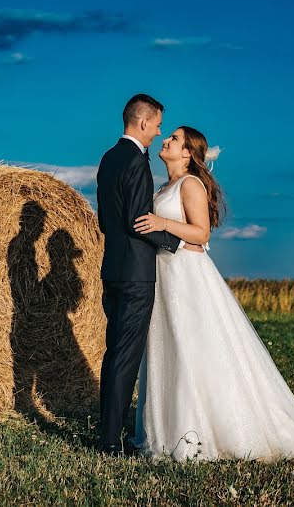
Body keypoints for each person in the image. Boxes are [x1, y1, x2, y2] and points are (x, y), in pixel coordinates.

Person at [130, 126, 294, 461]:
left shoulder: (190, 184)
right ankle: (168, 432)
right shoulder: (165, 186)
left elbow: (201, 233)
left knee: (192, 349)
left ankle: (204, 433)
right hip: (164, 276)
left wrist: (162, 223)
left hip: (187, 276)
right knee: (169, 348)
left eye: (175, 139)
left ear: (188, 154)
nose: (166, 139)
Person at [95, 93, 182, 455]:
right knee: (126, 357)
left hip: (113, 268)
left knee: (113, 352)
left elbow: (105, 219)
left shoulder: (108, 158)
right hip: (135, 274)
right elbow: (137, 221)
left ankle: (107, 433)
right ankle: (110, 442)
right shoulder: (135, 162)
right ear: (143, 122)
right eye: (158, 124)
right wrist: (174, 239)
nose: (159, 131)